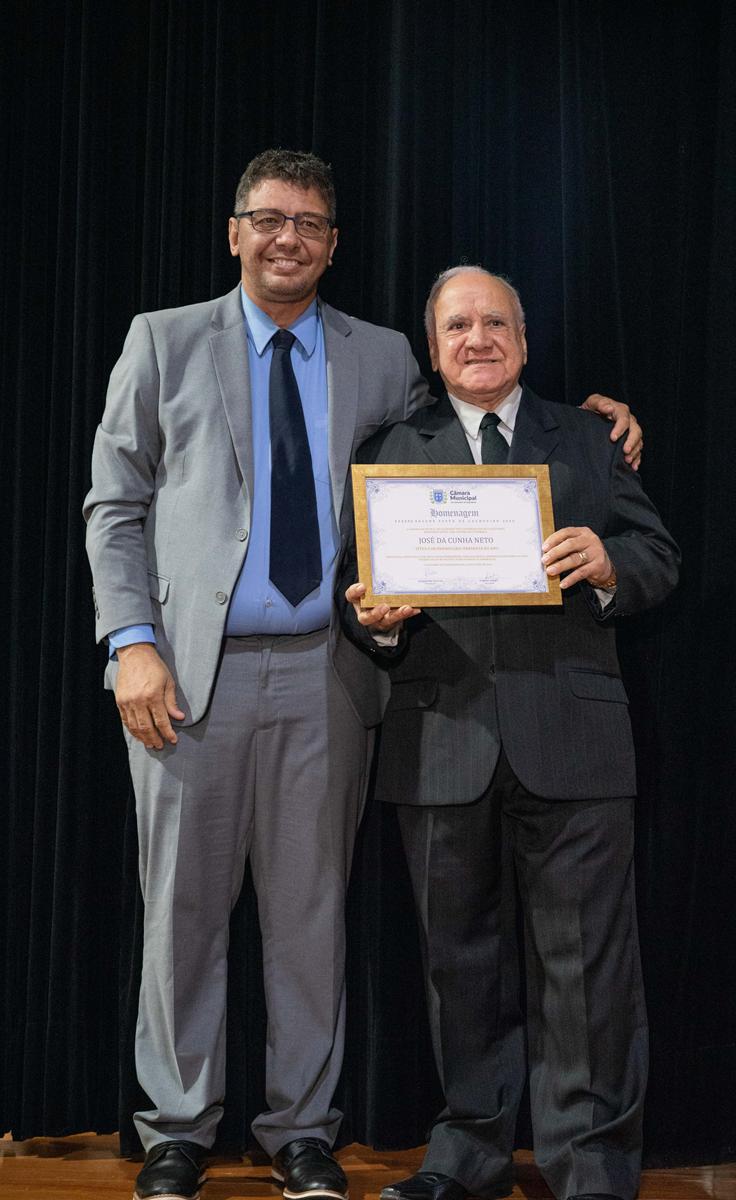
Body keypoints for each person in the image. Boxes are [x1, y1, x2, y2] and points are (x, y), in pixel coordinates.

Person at [84, 148, 643, 1200]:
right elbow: (114, 504)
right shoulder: (162, 341)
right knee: (182, 914)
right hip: (186, 677)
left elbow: (476, 422)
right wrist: (132, 643)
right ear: (235, 232)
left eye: (309, 223)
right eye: (268, 219)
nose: (287, 238)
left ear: (334, 244)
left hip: (332, 673)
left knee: (310, 917)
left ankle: (301, 1129)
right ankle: (176, 1132)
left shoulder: (382, 355)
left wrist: (599, 421)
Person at [343, 267, 679, 1200]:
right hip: (438, 740)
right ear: (433, 346)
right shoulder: (388, 450)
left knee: (588, 970)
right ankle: (466, 1153)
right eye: (457, 326)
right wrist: (374, 621)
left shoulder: (588, 438)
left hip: (574, 738)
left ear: (523, 341)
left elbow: (658, 556)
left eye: (495, 322)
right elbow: (352, 593)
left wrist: (610, 562)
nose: (477, 339)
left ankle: (591, 1166)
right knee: (459, 967)